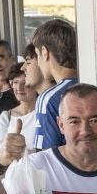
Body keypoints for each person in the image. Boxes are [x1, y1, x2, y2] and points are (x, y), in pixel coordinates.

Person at [28, 17, 80, 150]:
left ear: (45, 53)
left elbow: (43, 158)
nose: (38, 62)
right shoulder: (93, 86)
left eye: (37, 54)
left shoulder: (49, 99)